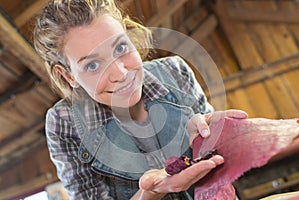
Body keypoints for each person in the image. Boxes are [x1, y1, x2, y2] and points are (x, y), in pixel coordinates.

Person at [33, 0, 247, 199]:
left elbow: (222, 169)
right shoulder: (63, 121)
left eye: (120, 48)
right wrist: (151, 192)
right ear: (68, 75)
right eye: (92, 65)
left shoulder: (175, 71)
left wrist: (213, 138)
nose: (120, 73)